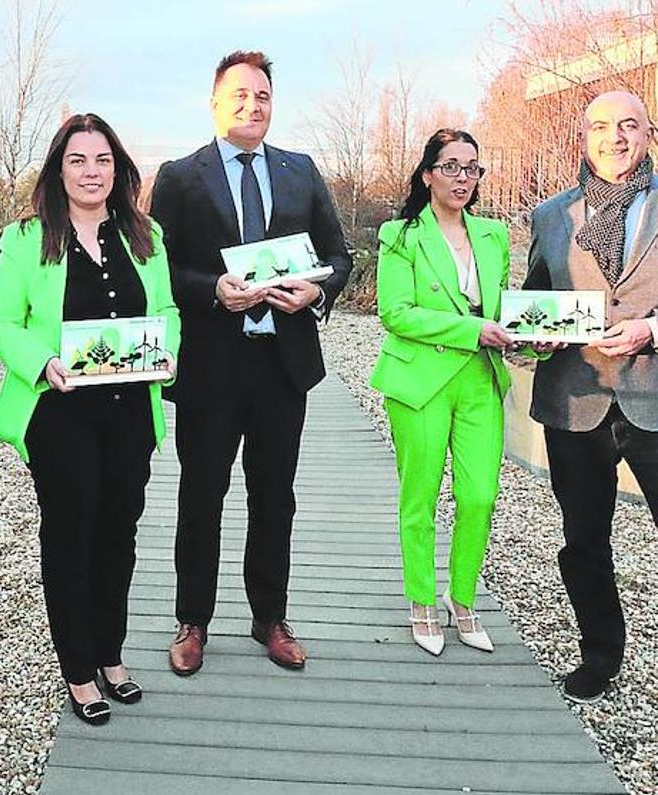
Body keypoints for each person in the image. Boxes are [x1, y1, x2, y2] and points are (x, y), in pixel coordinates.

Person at [150, 50, 351, 675]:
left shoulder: (300, 171)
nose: (252, 105)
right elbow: (159, 269)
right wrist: (213, 288)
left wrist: (318, 291)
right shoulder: (180, 176)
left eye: (262, 95)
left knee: (275, 497)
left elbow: (338, 257)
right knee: (201, 496)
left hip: (281, 365)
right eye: (239, 95)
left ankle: (270, 617)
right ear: (215, 102)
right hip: (211, 364)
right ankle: (193, 621)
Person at [0, 113, 180, 725]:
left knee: (118, 537)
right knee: (71, 538)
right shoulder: (25, 239)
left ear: (118, 169)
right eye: (78, 160)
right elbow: (2, 323)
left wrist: (168, 352)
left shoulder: (145, 235)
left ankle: (111, 653)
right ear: (59, 169)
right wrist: (42, 362)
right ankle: (77, 667)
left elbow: (169, 308)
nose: (91, 172)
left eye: (102, 160)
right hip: (60, 413)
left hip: (131, 414)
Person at [525, 90, 658, 703]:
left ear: (648, 134)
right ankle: (600, 654)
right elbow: (535, 298)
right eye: (601, 126)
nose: (615, 137)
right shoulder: (551, 216)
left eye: (629, 125)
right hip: (575, 400)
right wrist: (534, 337)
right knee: (583, 539)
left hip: (653, 396)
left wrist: (651, 329)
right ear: (584, 138)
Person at [370, 129, 514, 656]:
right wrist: (472, 330)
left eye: (472, 168)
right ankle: (421, 600)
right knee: (421, 497)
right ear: (428, 173)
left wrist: (529, 339)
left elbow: (504, 312)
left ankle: (464, 598)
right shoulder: (400, 235)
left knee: (479, 495)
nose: (463, 179)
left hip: (481, 378)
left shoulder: (494, 236)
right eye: (451, 167)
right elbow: (396, 312)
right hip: (422, 381)